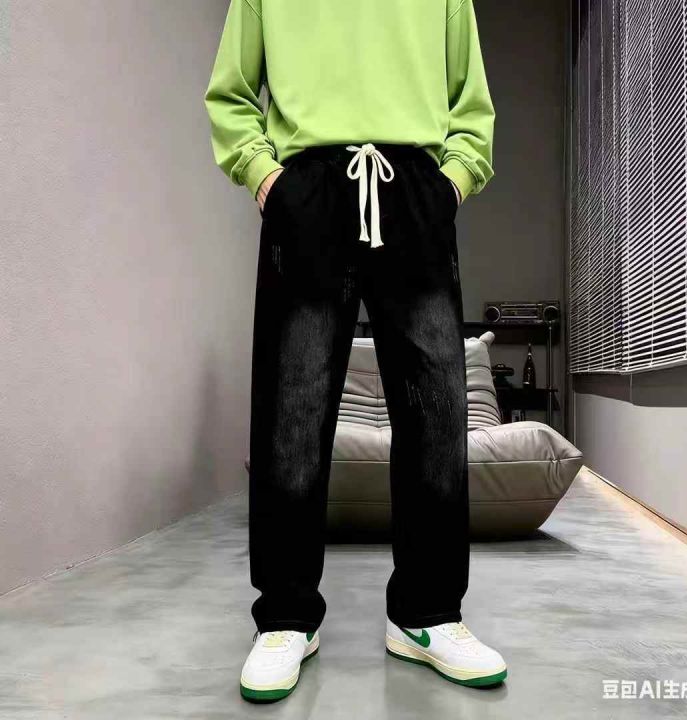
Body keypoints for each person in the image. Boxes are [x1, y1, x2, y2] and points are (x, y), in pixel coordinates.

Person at [205, 0, 505, 702]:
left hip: (414, 187)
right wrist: (268, 179)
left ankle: (427, 614)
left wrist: (452, 182)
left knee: (437, 413)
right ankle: (286, 616)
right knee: (292, 411)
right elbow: (231, 91)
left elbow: (471, 98)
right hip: (306, 188)